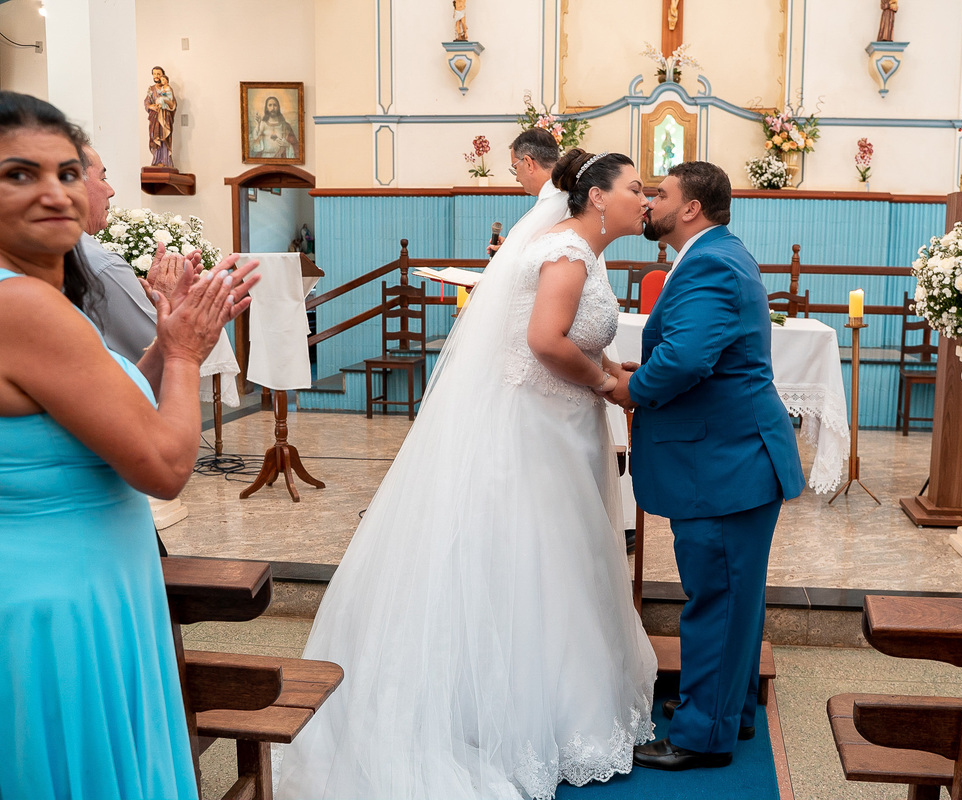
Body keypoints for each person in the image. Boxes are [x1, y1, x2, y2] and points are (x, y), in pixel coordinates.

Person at [276, 148, 656, 799]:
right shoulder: (565, 251)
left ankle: (546, 704)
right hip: (536, 429)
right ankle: (515, 717)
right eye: (635, 188)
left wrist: (613, 375)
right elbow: (544, 340)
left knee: (558, 562)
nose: (644, 199)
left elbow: (573, 337)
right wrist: (604, 384)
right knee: (542, 560)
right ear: (597, 197)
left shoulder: (581, 251)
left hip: (561, 423)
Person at [0, 91, 257, 798]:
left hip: (74, 580)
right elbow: (165, 465)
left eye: (65, 171)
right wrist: (182, 356)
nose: (54, 190)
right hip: (60, 599)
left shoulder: (30, 297)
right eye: (18, 174)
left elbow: (102, 409)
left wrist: (162, 347)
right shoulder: (20, 305)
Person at [605, 162, 804, 770]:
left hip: (725, 462)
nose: (649, 203)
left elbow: (688, 357)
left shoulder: (711, 261)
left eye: (659, 195)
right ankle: (729, 710)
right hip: (734, 457)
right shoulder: (715, 254)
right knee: (735, 595)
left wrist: (632, 389)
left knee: (715, 596)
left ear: (690, 208)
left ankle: (699, 736)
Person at [80, 143, 194, 362]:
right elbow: (160, 354)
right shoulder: (102, 266)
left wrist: (151, 299)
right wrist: (168, 303)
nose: (111, 190)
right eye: (103, 178)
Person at [487, 126, 561, 257]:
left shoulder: (553, 206)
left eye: (515, 167)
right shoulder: (560, 197)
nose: (516, 178)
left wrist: (510, 254)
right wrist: (511, 248)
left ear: (528, 163)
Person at [144, 66, 177, 168]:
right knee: (156, 137)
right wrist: (151, 106)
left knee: (165, 137)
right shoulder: (151, 89)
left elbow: (173, 103)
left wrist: (165, 102)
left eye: (159, 74)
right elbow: (147, 102)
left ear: (163, 75)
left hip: (165, 117)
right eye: (154, 74)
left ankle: (166, 161)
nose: (157, 76)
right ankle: (156, 160)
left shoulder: (167, 88)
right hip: (155, 118)